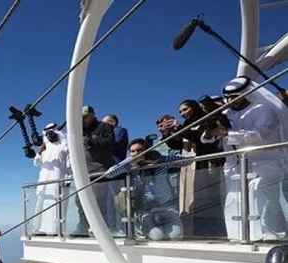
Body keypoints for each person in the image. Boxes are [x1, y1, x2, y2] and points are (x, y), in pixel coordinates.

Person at [204, 76, 287, 241]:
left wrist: (228, 133)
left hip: (264, 163)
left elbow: (260, 135)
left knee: (261, 199)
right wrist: (210, 131)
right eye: (229, 97)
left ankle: (272, 235)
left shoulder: (264, 110)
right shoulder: (224, 113)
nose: (231, 100)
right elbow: (206, 139)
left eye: (235, 96)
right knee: (234, 201)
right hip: (235, 166)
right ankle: (238, 236)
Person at [166, 100, 227, 239]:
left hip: (207, 163)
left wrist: (181, 130)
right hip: (191, 165)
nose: (182, 113)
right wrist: (169, 133)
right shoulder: (187, 124)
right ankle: (195, 231)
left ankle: (214, 231)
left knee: (208, 197)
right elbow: (177, 145)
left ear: (193, 107)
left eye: (185, 109)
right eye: (180, 111)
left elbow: (200, 138)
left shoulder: (205, 118)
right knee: (192, 199)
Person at [113, 139, 184, 241]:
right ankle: (143, 230)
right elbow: (110, 173)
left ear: (147, 150)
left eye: (139, 150)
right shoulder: (132, 168)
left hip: (167, 208)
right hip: (146, 212)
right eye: (132, 151)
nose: (136, 153)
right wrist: (129, 161)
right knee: (157, 236)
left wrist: (159, 160)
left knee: (175, 237)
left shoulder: (160, 164)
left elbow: (187, 161)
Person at [73, 105, 116, 236]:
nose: (83, 120)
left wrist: (92, 140)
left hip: (99, 169)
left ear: (92, 115)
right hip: (83, 172)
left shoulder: (104, 127)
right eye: (81, 117)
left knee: (99, 201)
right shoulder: (79, 129)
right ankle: (83, 227)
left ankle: (103, 229)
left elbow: (109, 143)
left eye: (86, 117)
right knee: (80, 201)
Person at [33, 123, 69, 236]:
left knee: (57, 207)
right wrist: (39, 151)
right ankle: (37, 229)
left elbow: (70, 164)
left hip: (58, 180)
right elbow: (36, 163)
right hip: (44, 182)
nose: (49, 135)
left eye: (51, 132)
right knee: (41, 205)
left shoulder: (64, 145)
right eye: (47, 133)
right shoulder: (45, 147)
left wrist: (68, 179)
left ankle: (56, 231)